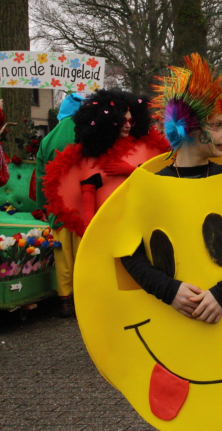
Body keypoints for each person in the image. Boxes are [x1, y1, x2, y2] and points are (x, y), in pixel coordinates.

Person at [120, 53, 222, 324]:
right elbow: (129, 251)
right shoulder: (150, 185)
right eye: (218, 125)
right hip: (171, 323)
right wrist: (169, 291)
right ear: (189, 126)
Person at [43, 89, 167, 318]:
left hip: (140, 223)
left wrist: (129, 171)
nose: (128, 125)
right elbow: (87, 190)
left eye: (131, 120)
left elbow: (161, 182)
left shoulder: (148, 150)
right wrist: (91, 227)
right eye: (122, 120)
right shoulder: (90, 155)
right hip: (107, 228)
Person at [34, 92, 84, 318]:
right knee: (84, 253)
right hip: (85, 204)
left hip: (58, 206)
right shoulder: (88, 132)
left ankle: (65, 300)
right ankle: (86, 297)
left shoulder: (48, 139)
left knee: (63, 255)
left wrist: (43, 205)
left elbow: (41, 177)